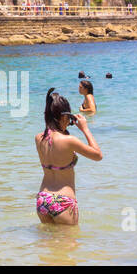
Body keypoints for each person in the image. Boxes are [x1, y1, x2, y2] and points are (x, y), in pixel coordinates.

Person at [35, 89, 102, 225]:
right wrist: (85, 129)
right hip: (63, 200)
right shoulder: (69, 140)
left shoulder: (38, 138)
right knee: (68, 244)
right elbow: (98, 155)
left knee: (48, 242)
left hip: (43, 199)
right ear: (65, 116)